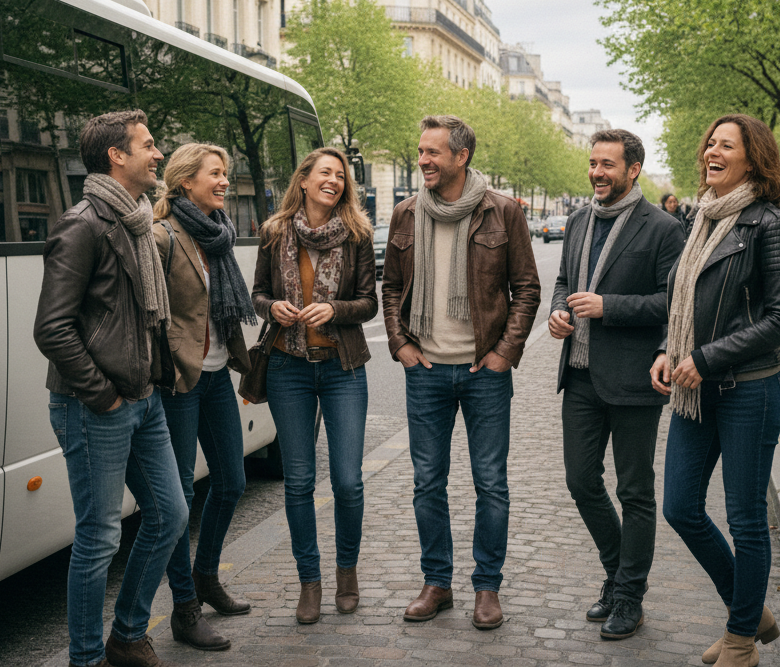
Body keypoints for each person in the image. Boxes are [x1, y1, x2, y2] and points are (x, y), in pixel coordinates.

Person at [34, 110, 186, 667]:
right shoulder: (84, 224)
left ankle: (127, 633)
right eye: (148, 145)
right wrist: (103, 395)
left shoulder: (139, 219)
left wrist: (145, 386)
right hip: (93, 404)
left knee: (170, 515)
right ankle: (86, 657)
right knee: (98, 537)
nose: (159, 153)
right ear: (115, 157)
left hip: (143, 399)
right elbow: (51, 328)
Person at [652, 114, 780, 667]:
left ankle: (741, 640)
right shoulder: (699, 221)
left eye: (726, 145)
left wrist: (705, 358)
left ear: (752, 159)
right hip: (697, 392)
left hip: (749, 391)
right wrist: (667, 352)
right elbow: (683, 309)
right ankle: (752, 611)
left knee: (744, 519)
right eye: (709, 144)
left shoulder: (769, 224)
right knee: (680, 507)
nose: (711, 152)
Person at [382, 115, 541, 630]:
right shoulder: (406, 213)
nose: (423, 160)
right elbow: (390, 289)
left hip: (484, 373)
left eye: (432, 153)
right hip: (425, 370)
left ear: (461, 156)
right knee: (427, 483)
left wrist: (503, 354)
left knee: (490, 483)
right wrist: (401, 344)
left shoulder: (503, 212)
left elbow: (526, 288)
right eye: (420, 151)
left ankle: (487, 588)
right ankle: (437, 583)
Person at [548, 129, 685, 640]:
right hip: (580, 374)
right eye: (593, 163)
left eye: (607, 164)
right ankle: (615, 573)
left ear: (633, 170)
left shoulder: (664, 228)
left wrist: (610, 308)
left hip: (633, 379)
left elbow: (673, 303)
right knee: (581, 481)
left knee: (635, 492)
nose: (596, 172)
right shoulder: (580, 219)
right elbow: (565, 281)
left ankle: (630, 595)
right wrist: (560, 311)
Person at [251, 147, 377, 624]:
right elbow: (258, 293)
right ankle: (310, 581)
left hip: (343, 367)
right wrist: (271, 309)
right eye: (325, 173)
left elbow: (367, 301)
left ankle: (347, 572)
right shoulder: (274, 232)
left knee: (347, 481)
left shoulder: (357, 234)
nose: (335, 181)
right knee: (299, 481)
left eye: (340, 176)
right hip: (289, 368)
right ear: (303, 180)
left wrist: (336, 310)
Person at [152, 143, 256, 651]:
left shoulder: (218, 234)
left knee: (232, 481)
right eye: (215, 174)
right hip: (180, 382)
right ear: (185, 180)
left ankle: (207, 574)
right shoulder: (163, 235)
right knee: (179, 499)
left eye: (226, 174)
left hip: (216, 376)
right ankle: (184, 607)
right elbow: (148, 310)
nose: (224, 182)